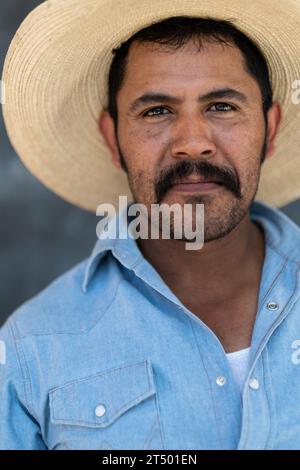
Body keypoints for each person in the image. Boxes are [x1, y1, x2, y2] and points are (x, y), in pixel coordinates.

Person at [1, 0, 300, 450]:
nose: (193, 144)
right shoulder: (31, 348)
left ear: (270, 129)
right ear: (112, 138)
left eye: (221, 105)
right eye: (157, 111)